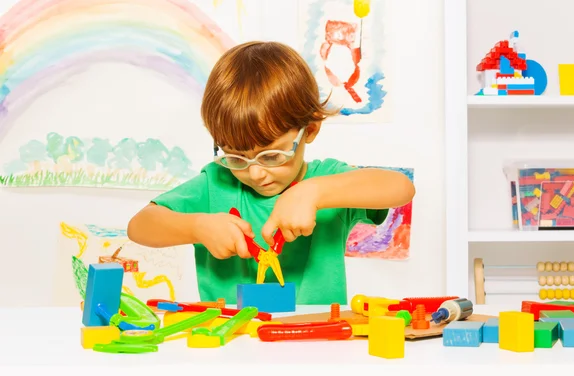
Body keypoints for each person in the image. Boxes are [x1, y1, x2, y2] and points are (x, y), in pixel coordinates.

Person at [127, 41, 415, 305]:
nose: (255, 173)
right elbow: (140, 226)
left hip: (317, 345)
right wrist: (196, 227)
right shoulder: (216, 182)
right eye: (236, 157)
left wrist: (313, 193)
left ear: (310, 130)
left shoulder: (328, 180)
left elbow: (400, 187)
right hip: (230, 346)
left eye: (272, 155)